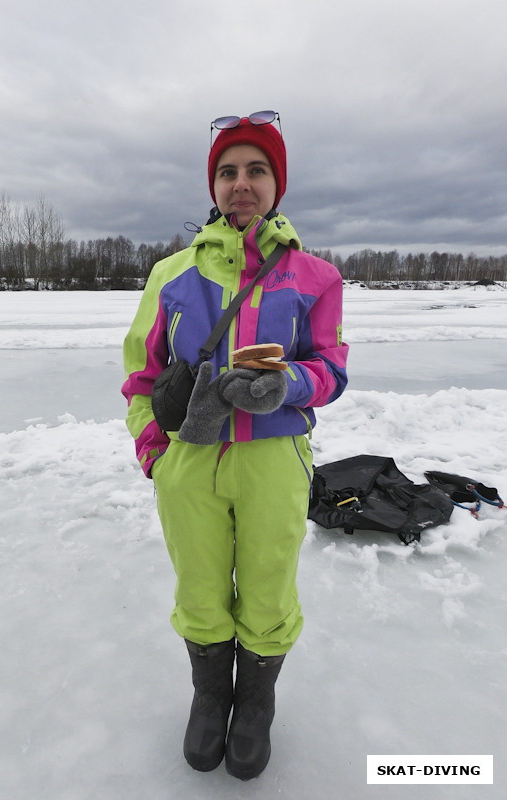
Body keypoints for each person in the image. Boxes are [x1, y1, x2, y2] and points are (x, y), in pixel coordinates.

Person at [121, 110, 349, 781]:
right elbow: (139, 376)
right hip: (189, 466)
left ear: (276, 184)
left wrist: (289, 386)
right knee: (199, 589)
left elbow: (332, 369)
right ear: (212, 185)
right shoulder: (171, 275)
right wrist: (154, 456)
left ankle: (254, 704)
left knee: (269, 590)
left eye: (255, 170)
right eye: (227, 171)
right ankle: (209, 694)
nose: (240, 184)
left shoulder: (317, 278)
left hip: (274, 465)